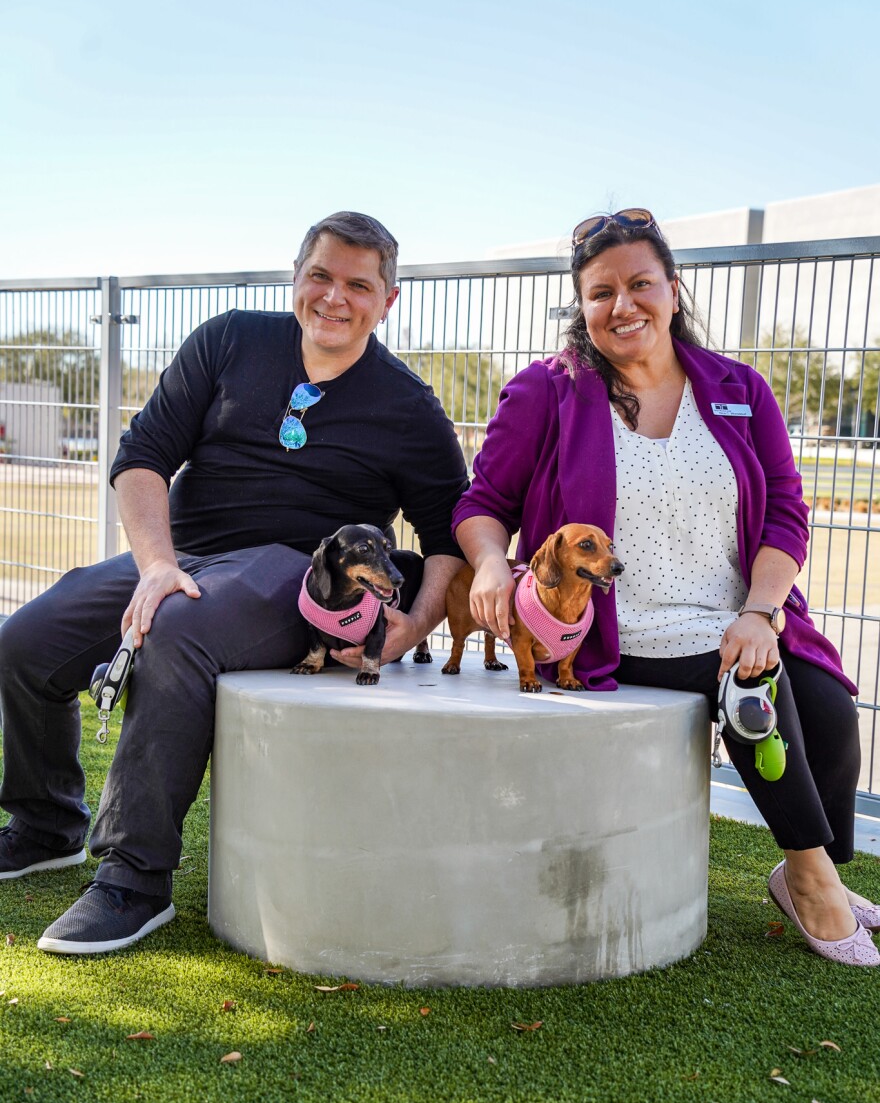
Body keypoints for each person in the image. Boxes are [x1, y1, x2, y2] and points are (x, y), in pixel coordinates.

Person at [0, 211, 468, 953]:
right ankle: (44, 820)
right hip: (183, 555)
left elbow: (449, 539)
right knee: (23, 643)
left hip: (297, 575)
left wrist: (416, 623)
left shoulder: (409, 407)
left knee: (177, 633)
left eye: (358, 284)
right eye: (319, 275)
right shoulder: (229, 340)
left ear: (388, 301)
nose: (334, 297)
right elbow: (143, 457)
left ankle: (134, 876)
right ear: (295, 277)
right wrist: (156, 564)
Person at [452, 207, 879, 968]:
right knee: (753, 691)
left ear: (673, 290)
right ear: (581, 306)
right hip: (617, 627)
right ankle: (816, 885)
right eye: (600, 292)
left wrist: (759, 610)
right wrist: (489, 563)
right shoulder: (548, 392)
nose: (623, 305)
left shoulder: (737, 387)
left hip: (738, 613)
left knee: (830, 710)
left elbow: (786, 511)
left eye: (641, 284)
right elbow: (484, 504)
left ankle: (807, 866)